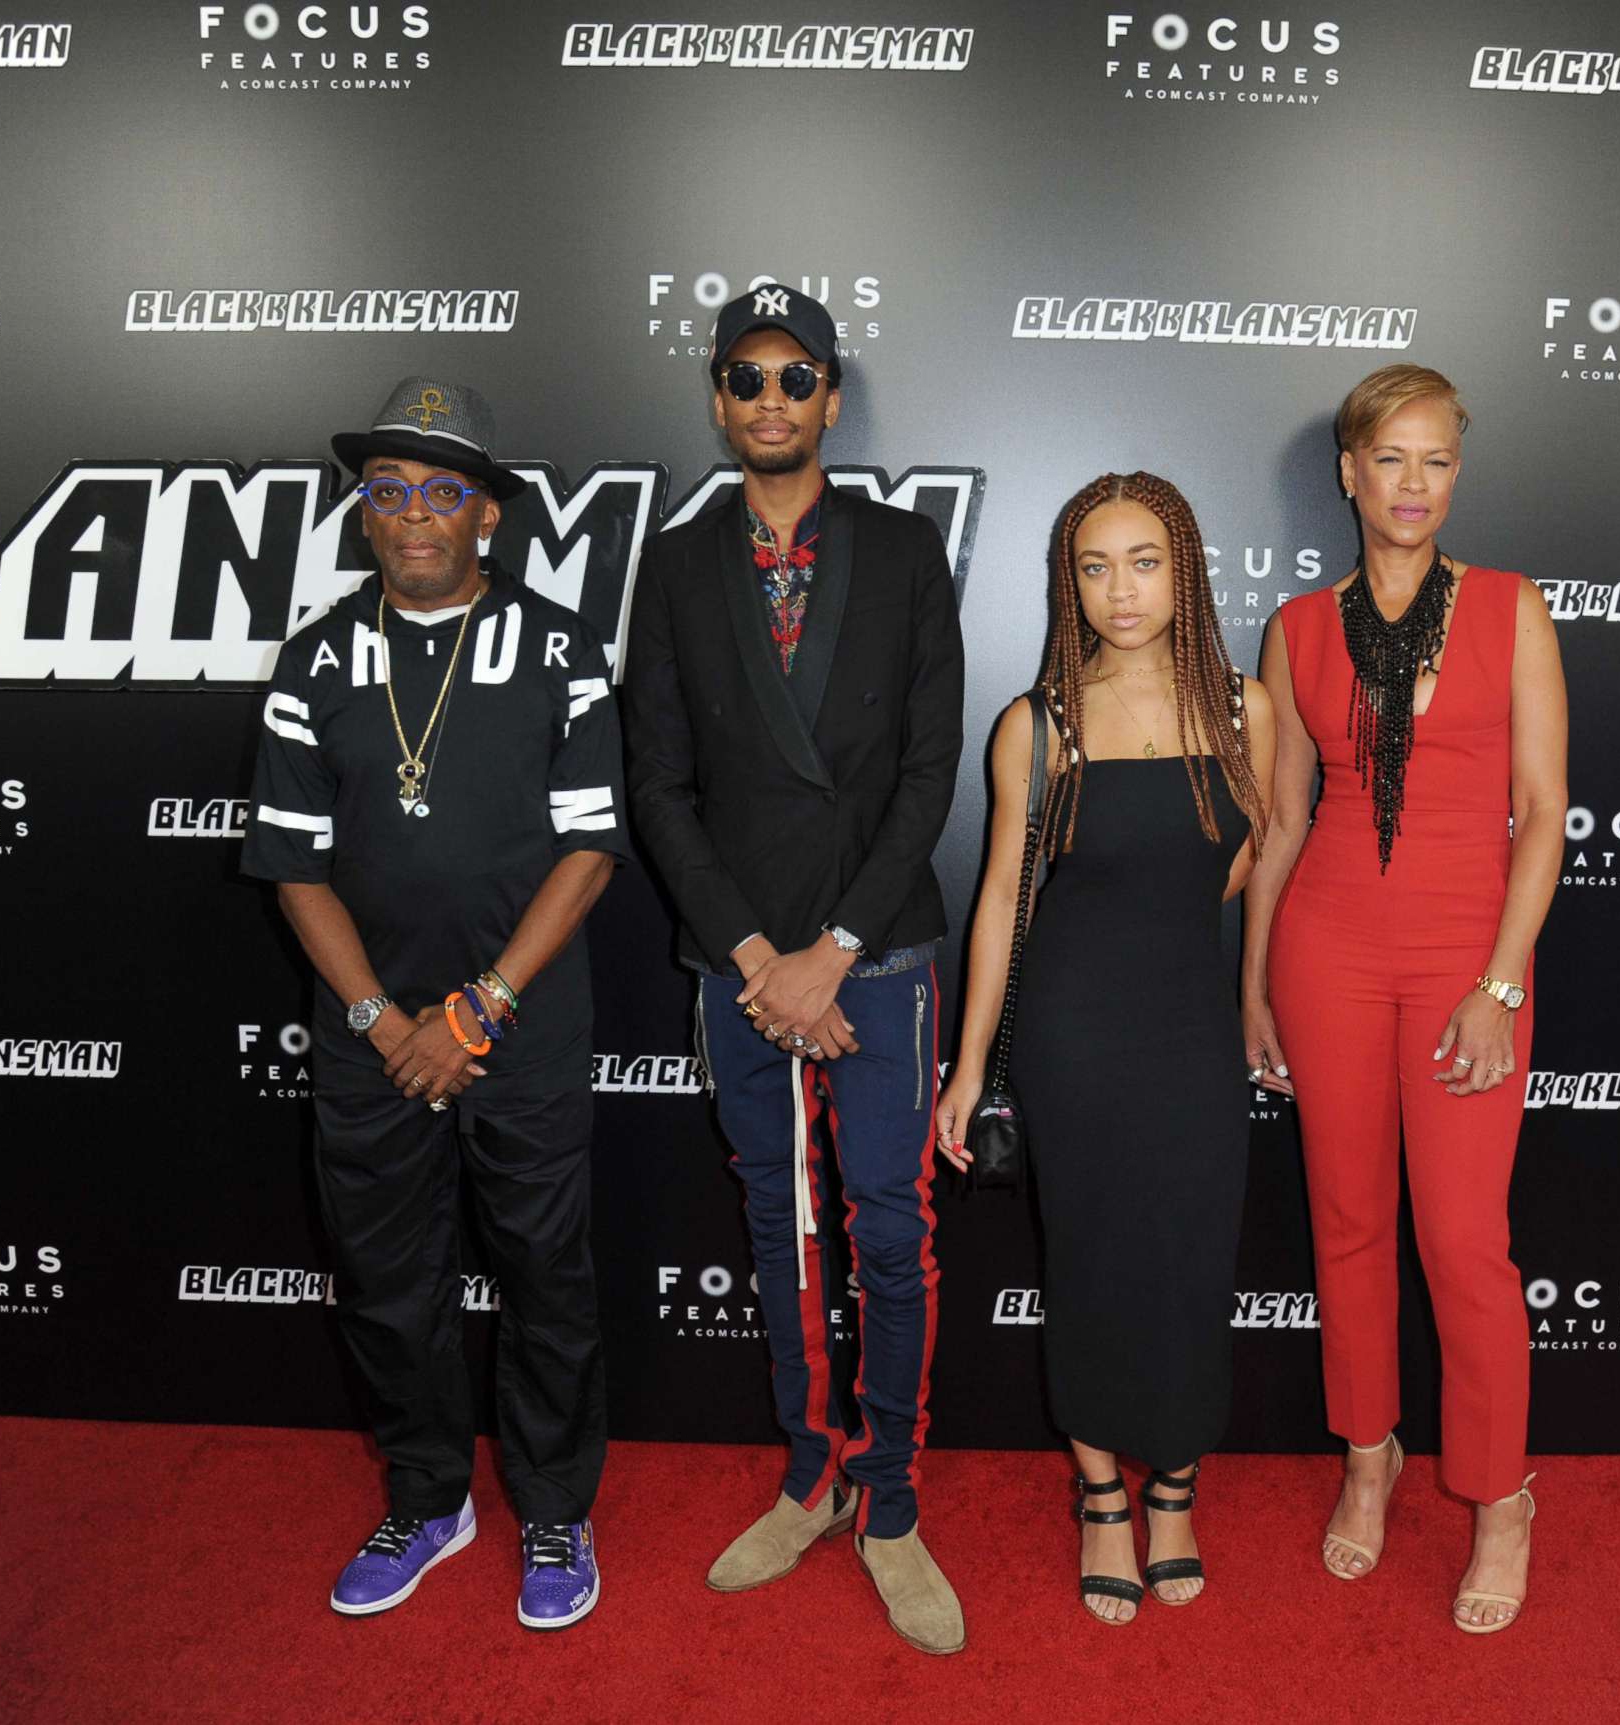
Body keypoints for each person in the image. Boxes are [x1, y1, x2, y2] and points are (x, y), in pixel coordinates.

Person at [241, 376, 629, 1631]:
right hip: (370, 1038)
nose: (415, 515)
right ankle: (428, 1495)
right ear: (364, 516)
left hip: (518, 1030)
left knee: (545, 1277)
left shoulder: (562, 649)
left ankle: (555, 1509)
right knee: (385, 1281)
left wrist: (481, 1008)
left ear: (489, 516)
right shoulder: (315, 659)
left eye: (442, 492)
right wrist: (379, 1021)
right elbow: (295, 865)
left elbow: (589, 850)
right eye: (389, 492)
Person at [622, 286, 967, 1656]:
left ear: (831, 397)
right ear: (719, 399)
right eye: (746, 378)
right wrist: (761, 953)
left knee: (889, 1227)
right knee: (782, 1222)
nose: (771, 401)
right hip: (742, 959)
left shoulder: (901, 548)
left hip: (875, 952)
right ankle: (809, 1470)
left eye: (797, 377)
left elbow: (931, 769)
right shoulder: (675, 564)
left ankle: (888, 1503)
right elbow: (658, 784)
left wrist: (834, 950)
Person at [1241, 364, 1567, 1634]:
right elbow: (1280, 826)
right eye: (1391, 460)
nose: (1414, 485)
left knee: (1464, 1246)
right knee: (1346, 1224)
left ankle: (1499, 1498)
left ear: (1457, 474)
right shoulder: (1297, 627)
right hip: (1324, 949)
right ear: (1349, 473)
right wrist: (1254, 986)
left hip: (1463, 960)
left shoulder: (1509, 610)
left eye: (1437, 461)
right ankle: (1366, 1463)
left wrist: (1499, 982)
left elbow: (1540, 817)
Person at [936, 472, 1273, 1626]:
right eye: (1093, 565)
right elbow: (1001, 902)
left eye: (1143, 562)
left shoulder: (1247, 709)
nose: (1119, 590)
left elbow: (1247, 861)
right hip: (1074, 1044)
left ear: (1184, 571)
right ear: (1066, 582)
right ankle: (1101, 1500)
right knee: (1086, 1268)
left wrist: (1251, 992)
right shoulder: (1038, 724)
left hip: (1191, 1037)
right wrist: (971, 1065)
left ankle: (1173, 1486)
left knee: (1188, 1264)